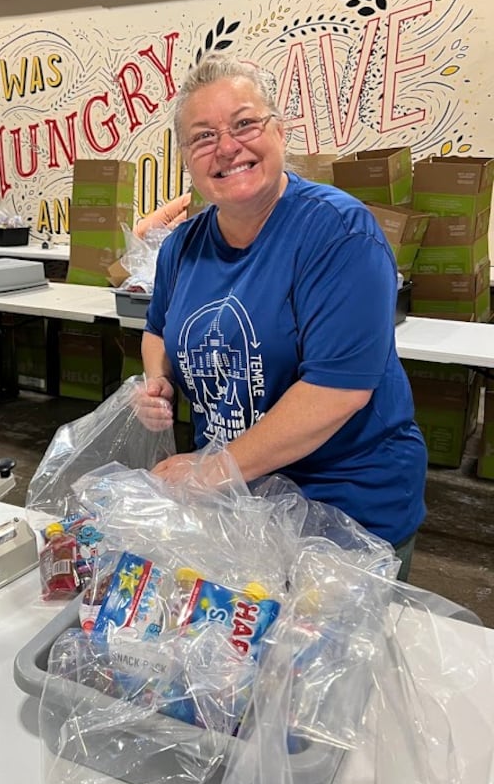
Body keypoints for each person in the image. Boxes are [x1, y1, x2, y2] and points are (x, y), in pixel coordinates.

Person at [137, 53, 427, 577]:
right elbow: (157, 329)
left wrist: (212, 470)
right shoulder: (181, 246)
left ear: (279, 130)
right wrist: (157, 381)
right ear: (186, 157)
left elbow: (335, 393)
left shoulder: (339, 234)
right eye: (203, 136)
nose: (227, 147)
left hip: (344, 514)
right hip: (239, 505)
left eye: (244, 123)